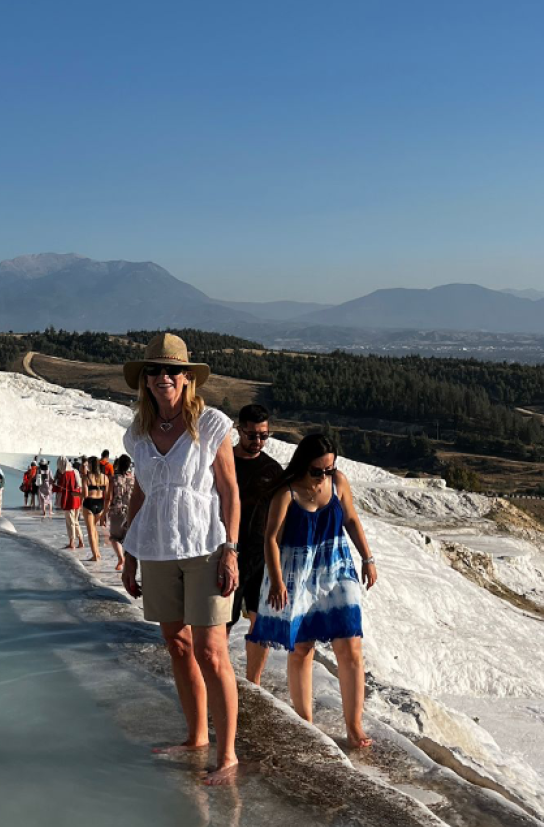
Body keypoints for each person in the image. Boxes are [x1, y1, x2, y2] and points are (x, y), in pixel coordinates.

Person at [119, 333, 242, 784]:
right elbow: (140, 491)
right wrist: (130, 553)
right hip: (156, 547)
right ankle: (196, 736)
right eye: (155, 370)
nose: (163, 377)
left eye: (173, 370)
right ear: (145, 380)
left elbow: (229, 490)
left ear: (188, 378)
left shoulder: (211, 425)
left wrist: (231, 548)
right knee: (178, 645)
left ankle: (227, 754)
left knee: (212, 651)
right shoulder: (137, 433)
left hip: (206, 545)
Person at [247, 434, 378, 750]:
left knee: (350, 646)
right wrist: (277, 581)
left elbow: (350, 519)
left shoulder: (338, 482)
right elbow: (270, 540)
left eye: (329, 469)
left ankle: (354, 724)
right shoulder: (287, 492)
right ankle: (305, 721)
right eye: (318, 471)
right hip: (298, 572)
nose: (324, 476)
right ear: (304, 465)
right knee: (302, 648)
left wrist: (368, 558)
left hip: (336, 568)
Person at [228, 404, 285, 684]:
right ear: (239, 430)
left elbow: (283, 517)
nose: (258, 441)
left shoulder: (273, 470)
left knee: (260, 621)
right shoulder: (223, 461)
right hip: (226, 552)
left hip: (260, 556)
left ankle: (254, 683)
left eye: (264, 435)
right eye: (251, 435)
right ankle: (218, 677)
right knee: (221, 622)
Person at [107, 454, 135, 571]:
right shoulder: (133, 478)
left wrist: (104, 513)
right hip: (131, 510)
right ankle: (128, 562)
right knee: (129, 538)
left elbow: (109, 497)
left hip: (116, 511)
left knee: (115, 537)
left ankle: (120, 559)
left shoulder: (113, 478)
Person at [80, 455, 110, 563]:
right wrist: (106, 510)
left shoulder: (86, 477)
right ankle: (97, 553)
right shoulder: (105, 478)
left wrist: (75, 494)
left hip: (89, 504)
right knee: (94, 529)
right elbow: (107, 496)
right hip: (100, 504)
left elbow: (85, 494)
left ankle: (95, 555)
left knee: (90, 530)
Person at [54, 455, 83, 549]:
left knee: (70, 522)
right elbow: (79, 485)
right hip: (77, 499)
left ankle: (72, 542)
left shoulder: (64, 474)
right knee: (75, 521)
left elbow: (58, 488)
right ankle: (81, 541)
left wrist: (52, 483)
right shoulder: (75, 471)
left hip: (68, 500)